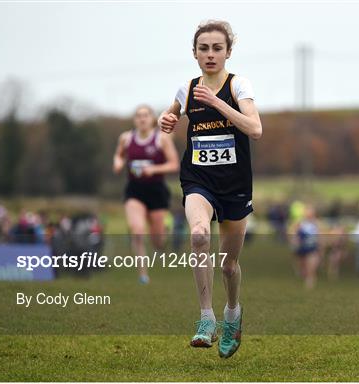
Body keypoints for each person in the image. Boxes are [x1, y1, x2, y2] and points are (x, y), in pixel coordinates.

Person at [157, 20, 262, 358]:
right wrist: (166, 119)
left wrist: (217, 103)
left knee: (229, 266)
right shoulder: (186, 88)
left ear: (228, 52)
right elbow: (171, 115)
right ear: (195, 53)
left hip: (234, 184)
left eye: (217, 48)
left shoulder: (238, 86)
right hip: (198, 179)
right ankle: (206, 318)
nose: (211, 54)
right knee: (199, 234)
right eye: (204, 48)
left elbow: (255, 128)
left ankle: (232, 313)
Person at [113, 105, 179, 284]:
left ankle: (164, 230)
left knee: (158, 241)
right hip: (135, 190)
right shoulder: (126, 138)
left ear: (152, 119)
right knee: (137, 230)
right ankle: (143, 275)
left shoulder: (162, 139)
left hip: (157, 190)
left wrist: (154, 169)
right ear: (135, 120)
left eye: (145, 115)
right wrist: (118, 163)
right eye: (138, 116)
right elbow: (119, 155)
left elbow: (174, 164)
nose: (142, 119)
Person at [291, 205, 321, 289]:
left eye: (311, 212)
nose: (309, 214)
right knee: (302, 267)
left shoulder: (317, 223)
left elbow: (321, 235)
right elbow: (294, 233)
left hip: (312, 247)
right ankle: (305, 276)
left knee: (311, 266)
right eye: (307, 212)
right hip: (302, 247)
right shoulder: (300, 222)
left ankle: (310, 282)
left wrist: (321, 246)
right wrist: (294, 241)